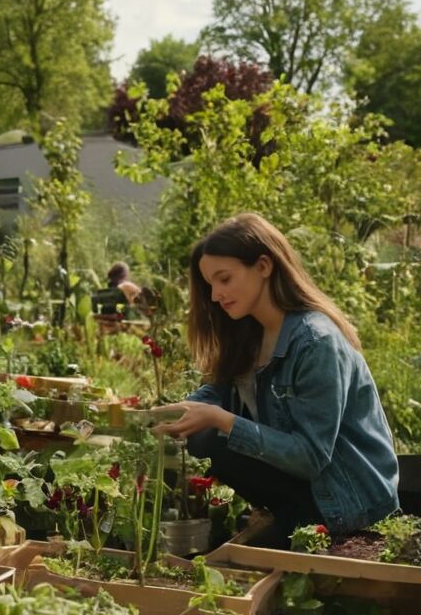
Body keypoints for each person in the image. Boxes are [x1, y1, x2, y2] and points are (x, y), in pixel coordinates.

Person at [151, 213, 399, 536]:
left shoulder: (315, 342)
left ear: (264, 266)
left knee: (213, 436)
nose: (215, 295)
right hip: (303, 490)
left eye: (224, 279)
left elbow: (311, 456)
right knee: (199, 436)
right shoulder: (249, 332)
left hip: (348, 502)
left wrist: (222, 420)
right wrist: (174, 414)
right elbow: (217, 390)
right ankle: (283, 519)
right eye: (211, 284)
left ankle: (297, 526)